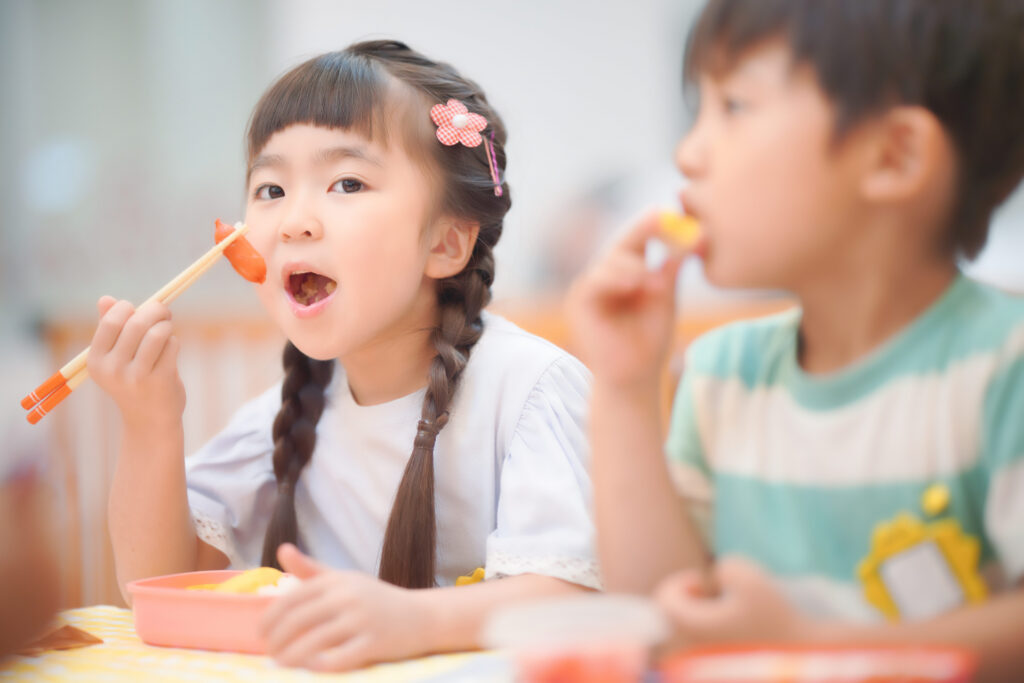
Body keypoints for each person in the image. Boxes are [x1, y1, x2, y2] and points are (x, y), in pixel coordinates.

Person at [88, 40, 598, 671]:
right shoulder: (282, 419)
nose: (295, 221)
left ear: (445, 243)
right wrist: (149, 423)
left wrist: (408, 620)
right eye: (270, 189)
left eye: (346, 183)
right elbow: (160, 587)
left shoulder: (529, 391)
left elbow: (574, 597)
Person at [568, 0, 1024, 679]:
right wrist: (626, 386)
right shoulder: (725, 372)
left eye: (736, 106)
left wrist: (813, 644)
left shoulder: (1001, 365)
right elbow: (663, 613)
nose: (688, 153)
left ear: (893, 155)